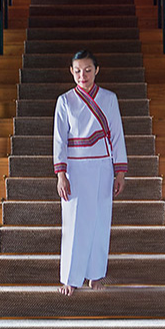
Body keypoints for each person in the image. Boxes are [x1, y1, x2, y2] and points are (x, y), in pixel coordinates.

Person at [53, 50, 127, 296]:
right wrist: (61, 174)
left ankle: (95, 276)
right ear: (71, 71)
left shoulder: (109, 99)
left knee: (99, 222)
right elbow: (59, 140)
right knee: (74, 223)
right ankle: (70, 278)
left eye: (87, 70)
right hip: (75, 168)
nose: (82, 75)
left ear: (97, 70)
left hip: (102, 167)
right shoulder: (65, 101)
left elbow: (117, 135)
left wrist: (120, 172)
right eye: (77, 71)